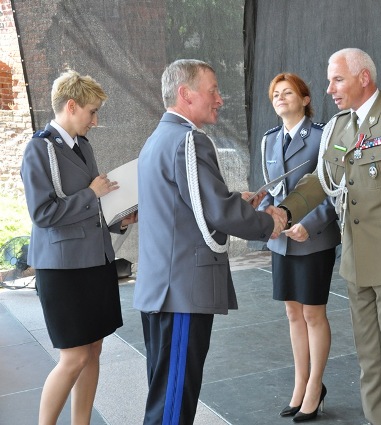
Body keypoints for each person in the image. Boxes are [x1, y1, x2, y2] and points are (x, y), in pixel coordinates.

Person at [278, 48, 381, 425]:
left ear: (364, 78)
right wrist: (284, 212)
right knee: (369, 361)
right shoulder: (340, 126)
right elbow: (320, 180)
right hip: (355, 262)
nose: (329, 89)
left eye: (338, 80)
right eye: (329, 81)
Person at [133, 59, 285, 425]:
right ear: (185, 94)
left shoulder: (158, 138)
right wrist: (270, 222)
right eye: (213, 90)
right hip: (181, 291)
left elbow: (189, 206)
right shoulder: (189, 141)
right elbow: (217, 211)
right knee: (173, 405)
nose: (219, 99)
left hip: (162, 287)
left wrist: (236, 201)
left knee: (165, 394)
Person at [21, 70, 137, 425]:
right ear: (71, 106)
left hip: (95, 261)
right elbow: (43, 214)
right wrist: (91, 194)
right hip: (62, 268)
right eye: (92, 111)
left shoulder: (82, 146)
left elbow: (94, 205)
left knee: (94, 349)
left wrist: (119, 220)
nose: (95, 120)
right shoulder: (38, 149)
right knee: (73, 357)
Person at [257, 72, 341, 422]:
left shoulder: (322, 136)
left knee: (312, 314)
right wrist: (266, 221)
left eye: (288, 92)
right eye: (275, 93)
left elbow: (334, 189)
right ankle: (301, 383)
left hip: (314, 238)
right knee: (293, 313)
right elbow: (268, 190)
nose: (280, 97)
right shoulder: (269, 140)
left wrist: (309, 224)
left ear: (305, 100)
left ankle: (315, 386)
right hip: (282, 241)